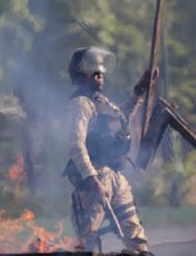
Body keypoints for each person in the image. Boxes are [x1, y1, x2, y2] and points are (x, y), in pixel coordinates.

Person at [64, 46, 156, 255]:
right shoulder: (80, 104)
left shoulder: (102, 102)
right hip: (93, 181)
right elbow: (75, 145)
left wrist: (141, 88)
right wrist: (93, 179)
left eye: (101, 72)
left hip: (116, 178)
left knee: (136, 240)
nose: (100, 75)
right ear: (80, 75)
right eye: (94, 72)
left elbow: (122, 118)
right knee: (87, 244)